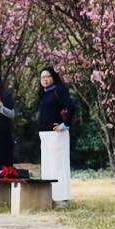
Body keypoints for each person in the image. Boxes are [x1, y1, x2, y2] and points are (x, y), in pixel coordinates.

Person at [35, 66, 75, 203]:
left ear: (53, 77)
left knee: (58, 165)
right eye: (42, 77)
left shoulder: (59, 90)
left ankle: (62, 198)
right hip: (45, 135)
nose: (45, 79)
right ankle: (50, 196)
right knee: (48, 165)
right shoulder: (43, 93)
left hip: (57, 135)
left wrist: (64, 125)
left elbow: (71, 107)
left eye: (47, 76)